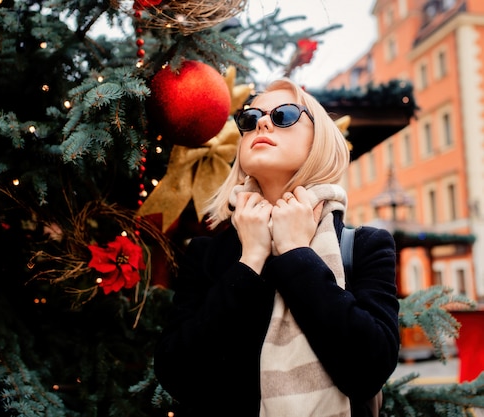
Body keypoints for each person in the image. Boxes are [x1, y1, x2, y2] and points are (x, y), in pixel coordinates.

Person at [153, 78, 400, 417]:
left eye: (284, 115)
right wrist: (250, 261)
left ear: (320, 142)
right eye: (250, 118)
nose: (263, 123)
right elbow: (178, 374)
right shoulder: (206, 253)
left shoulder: (365, 247)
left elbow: (368, 370)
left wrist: (298, 254)